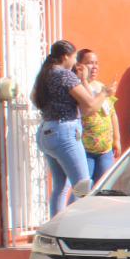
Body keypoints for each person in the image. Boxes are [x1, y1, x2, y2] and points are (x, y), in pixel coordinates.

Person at [30, 39, 98, 215]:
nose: (75, 62)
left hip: (47, 129)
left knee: (61, 186)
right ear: (66, 56)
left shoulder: (44, 74)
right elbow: (90, 104)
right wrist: (105, 93)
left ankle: (56, 226)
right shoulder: (64, 75)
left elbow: (33, 98)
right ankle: (74, 227)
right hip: (65, 131)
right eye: (74, 57)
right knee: (83, 184)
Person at [73, 48, 119, 184]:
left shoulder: (102, 86)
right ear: (79, 65)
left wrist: (117, 139)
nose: (94, 67)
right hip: (85, 148)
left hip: (105, 149)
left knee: (103, 185)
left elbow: (112, 114)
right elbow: (88, 109)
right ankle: (76, 206)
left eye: (96, 63)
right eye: (89, 63)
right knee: (83, 186)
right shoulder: (76, 87)